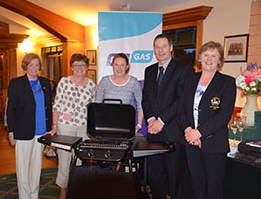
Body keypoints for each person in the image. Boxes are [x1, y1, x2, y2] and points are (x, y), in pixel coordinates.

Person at [178, 41, 236, 199]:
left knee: (213, 190)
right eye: (206, 55)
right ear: (200, 58)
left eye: (214, 56)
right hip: (190, 141)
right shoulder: (190, 79)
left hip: (214, 143)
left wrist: (200, 133)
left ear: (219, 61)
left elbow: (224, 115)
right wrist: (189, 131)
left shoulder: (227, 82)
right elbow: (181, 109)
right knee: (197, 187)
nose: (209, 59)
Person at [142, 34, 193, 199]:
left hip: (173, 133)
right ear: (154, 50)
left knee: (175, 178)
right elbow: (146, 99)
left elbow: (181, 100)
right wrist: (150, 120)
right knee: (155, 177)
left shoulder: (184, 69)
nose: (160, 50)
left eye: (164, 46)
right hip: (153, 133)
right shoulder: (149, 71)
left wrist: (161, 121)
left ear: (171, 48)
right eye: (157, 47)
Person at [47, 53, 96, 199]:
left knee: (80, 159)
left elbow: (93, 109)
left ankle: (77, 188)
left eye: (82, 65)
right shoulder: (64, 81)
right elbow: (57, 105)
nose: (79, 68)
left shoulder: (92, 85)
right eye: (76, 65)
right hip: (65, 126)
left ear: (87, 67)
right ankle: (63, 189)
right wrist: (54, 125)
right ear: (71, 67)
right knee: (64, 159)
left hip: (83, 127)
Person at [6, 53, 52, 199]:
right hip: (22, 130)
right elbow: (10, 109)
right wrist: (11, 131)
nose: (34, 68)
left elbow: (48, 107)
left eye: (37, 65)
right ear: (25, 66)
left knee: (36, 167)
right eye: (31, 64)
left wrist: (50, 127)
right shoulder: (16, 83)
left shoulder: (45, 83)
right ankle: (24, 196)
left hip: (41, 131)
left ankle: (34, 195)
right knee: (23, 167)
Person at [95, 53, 143, 134]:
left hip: (126, 127)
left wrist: (139, 125)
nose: (119, 68)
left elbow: (140, 105)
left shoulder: (133, 82)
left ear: (127, 66)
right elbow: (97, 106)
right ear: (112, 66)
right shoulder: (104, 81)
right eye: (116, 65)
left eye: (122, 65)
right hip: (106, 126)